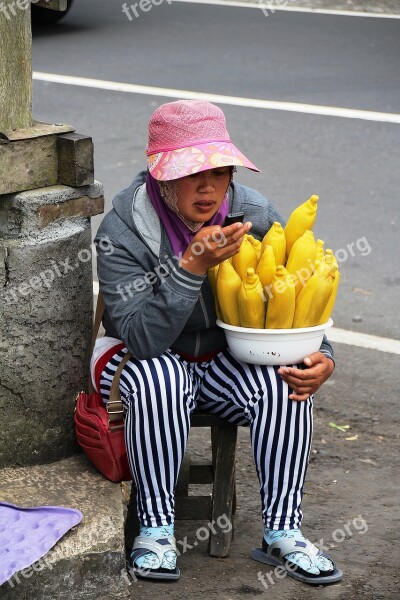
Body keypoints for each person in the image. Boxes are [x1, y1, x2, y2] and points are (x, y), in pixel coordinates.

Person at [91, 99, 343, 585]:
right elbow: (141, 339)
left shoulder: (251, 212)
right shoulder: (121, 231)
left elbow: (295, 292)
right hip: (140, 365)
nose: (208, 187)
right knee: (160, 376)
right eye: (191, 173)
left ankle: (282, 532)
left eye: (219, 171)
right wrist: (190, 269)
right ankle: (157, 529)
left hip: (225, 361)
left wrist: (322, 357)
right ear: (162, 176)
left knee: (284, 385)